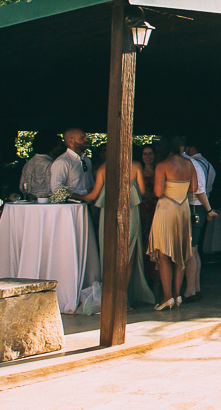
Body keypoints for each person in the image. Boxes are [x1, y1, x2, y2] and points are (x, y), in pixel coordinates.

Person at [80, 143, 157, 307]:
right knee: (127, 255)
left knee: (110, 253)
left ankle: (111, 296)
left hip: (108, 216)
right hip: (130, 214)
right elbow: (142, 192)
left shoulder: (103, 168)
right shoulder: (135, 166)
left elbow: (93, 195)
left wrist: (72, 194)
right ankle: (123, 299)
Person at [147, 138, 208, 311]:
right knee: (180, 252)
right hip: (183, 208)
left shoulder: (162, 165)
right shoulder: (190, 164)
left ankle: (167, 297)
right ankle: (177, 294)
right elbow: (194, 187)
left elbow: (159, 192)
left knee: (164, 253)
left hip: (167, 207)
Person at [48, 128, 90, 198]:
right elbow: (57, 189)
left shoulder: (86, 159)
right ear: (71, 141)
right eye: (82, 138)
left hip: (86, 205)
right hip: (70, 205)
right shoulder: (62, 162)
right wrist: (83, 193)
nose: (86, 140)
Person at [20, 134, 60, 199]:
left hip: (30, 200)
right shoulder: (50, 164)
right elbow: (52, 188)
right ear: (52, 147)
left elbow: (22, 186)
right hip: (45, 201)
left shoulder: (28, 163)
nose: (60, 148)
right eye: (58, 145)